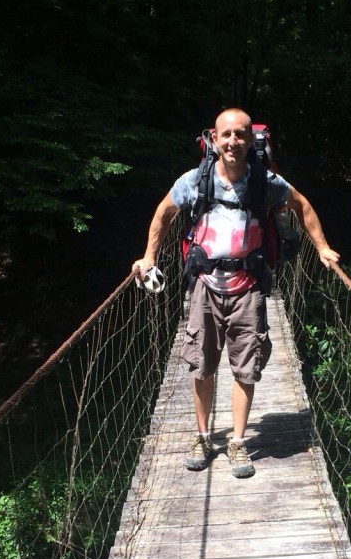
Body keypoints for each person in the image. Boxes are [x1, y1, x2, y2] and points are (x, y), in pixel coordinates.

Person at [132, 108, 339, 478]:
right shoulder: (195, 180)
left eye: (240, 135)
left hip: (248, 288)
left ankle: (238, 442)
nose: (233, 142)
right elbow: (164, 212)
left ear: (250, 140)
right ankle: (202, 437)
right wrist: (149, 257)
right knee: (202, 365)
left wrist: (322, 247)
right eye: (226, 135)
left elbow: (301, 205)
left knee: (246, 368)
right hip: (205, 286)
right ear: (214, 139)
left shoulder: (265, 181)